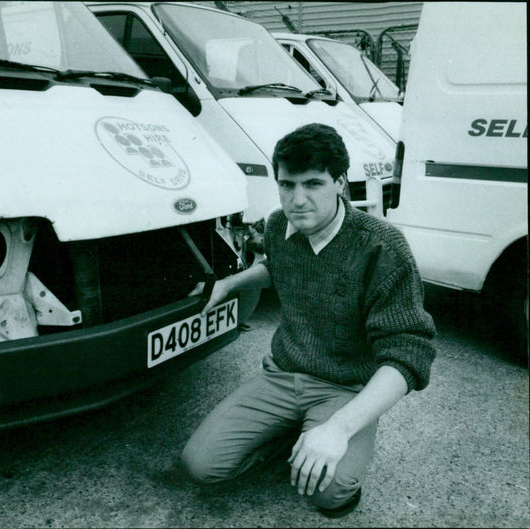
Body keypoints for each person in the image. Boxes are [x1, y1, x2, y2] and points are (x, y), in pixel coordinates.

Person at [181, 123, 437, 518]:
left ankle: (321, 437)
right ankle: (294, 441)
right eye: (287, 185)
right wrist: (230, 283)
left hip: (347, 388)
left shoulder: (382, 246)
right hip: (283, 374)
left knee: (330, 493)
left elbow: (409, 352)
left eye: (313, 184)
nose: (297, 200)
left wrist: (339, 428)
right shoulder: (277, 225)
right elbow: (277, 266)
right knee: (200, 467)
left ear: (339, 183)